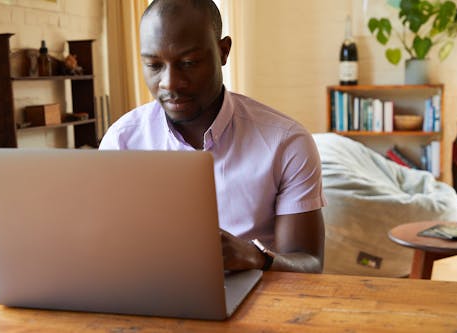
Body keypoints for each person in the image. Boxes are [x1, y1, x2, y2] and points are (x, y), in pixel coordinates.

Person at [99, 0, 326, 273]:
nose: (169, 83)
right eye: (154, 65)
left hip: (260, 303)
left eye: (188, 62)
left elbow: (310, 263)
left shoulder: (287, 143)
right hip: (151, 297)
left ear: (223, 51)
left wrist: (255, 257)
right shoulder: (122, 142)